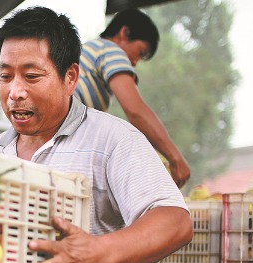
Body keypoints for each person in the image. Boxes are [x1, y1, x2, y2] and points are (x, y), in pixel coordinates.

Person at [0, 6, 193, 263]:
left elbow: (175, 222)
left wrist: (96, 253)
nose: (15, 92)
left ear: (70, 78)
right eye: (5, 77)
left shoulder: (113, 139)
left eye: (32, 76)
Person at [74, 9, 191, 188]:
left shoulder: (89, 50)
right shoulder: (110, 49)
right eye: (141, 52)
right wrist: (175, 159)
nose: (136, 62)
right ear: (125, 33)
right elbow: (135, 110)